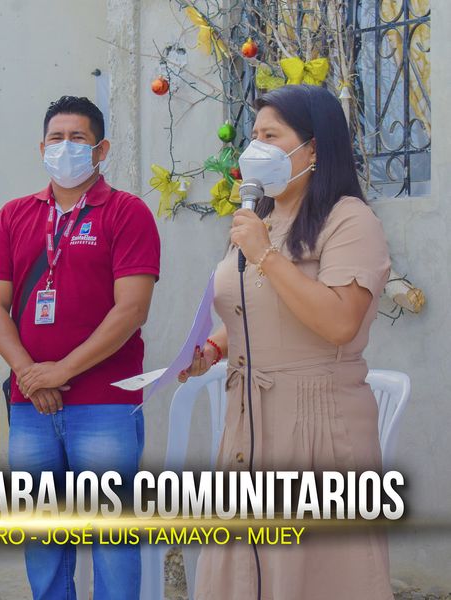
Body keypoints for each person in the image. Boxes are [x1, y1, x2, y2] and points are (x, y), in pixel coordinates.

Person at [180, 84, 393, 599]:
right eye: (253, 136)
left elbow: (340, 321)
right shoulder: (263, 220)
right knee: (241, 574)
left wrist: (265, 256)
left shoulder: (349, 219)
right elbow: (256, 309)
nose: (256, 148)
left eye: (271, 136)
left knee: (312, 577)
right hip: (248, 422)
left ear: (313, 148)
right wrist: (212, 349)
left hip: (317, 424)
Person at [0, 96, 160, 600]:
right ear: (41, 148)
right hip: (31, 406)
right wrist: (29, 373)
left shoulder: (126, 212)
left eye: (77, 138)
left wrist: (60, 371)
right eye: (56, 138)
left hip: (106, 402)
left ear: (101, 149)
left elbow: (132, 309)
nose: (65, 147)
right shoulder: (14, 215)